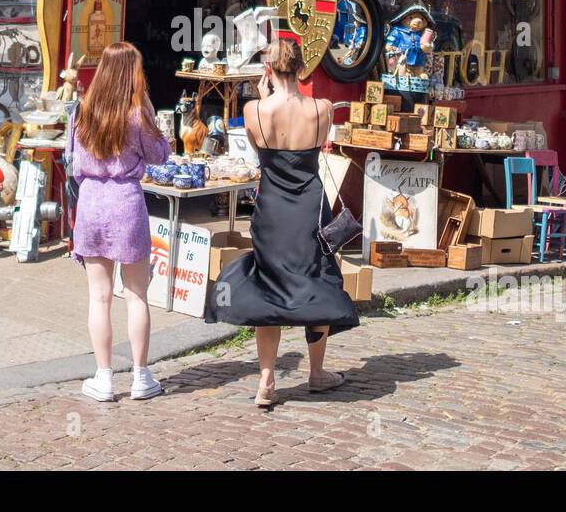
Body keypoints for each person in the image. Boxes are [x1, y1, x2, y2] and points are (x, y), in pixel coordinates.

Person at [204, 38, 359, 407]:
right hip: (308, 203)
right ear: (302, 68)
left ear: (269, 70)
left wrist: (262, 96)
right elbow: (319, 148)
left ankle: (267, 379)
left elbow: (262, 152)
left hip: (272, 206)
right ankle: (317, 373)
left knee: (267, 284)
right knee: (317, 280)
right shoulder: (322, 108)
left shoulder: (255, 109)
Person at [69, 41, 171, 402]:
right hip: (126, 202)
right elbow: (160, 154)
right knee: (136, 295)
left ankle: (104, 377)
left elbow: (74, 161)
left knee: (99, 298)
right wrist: (149, 111)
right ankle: (141, 377)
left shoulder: (83, 110)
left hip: (92, 203)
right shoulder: (136, 112)